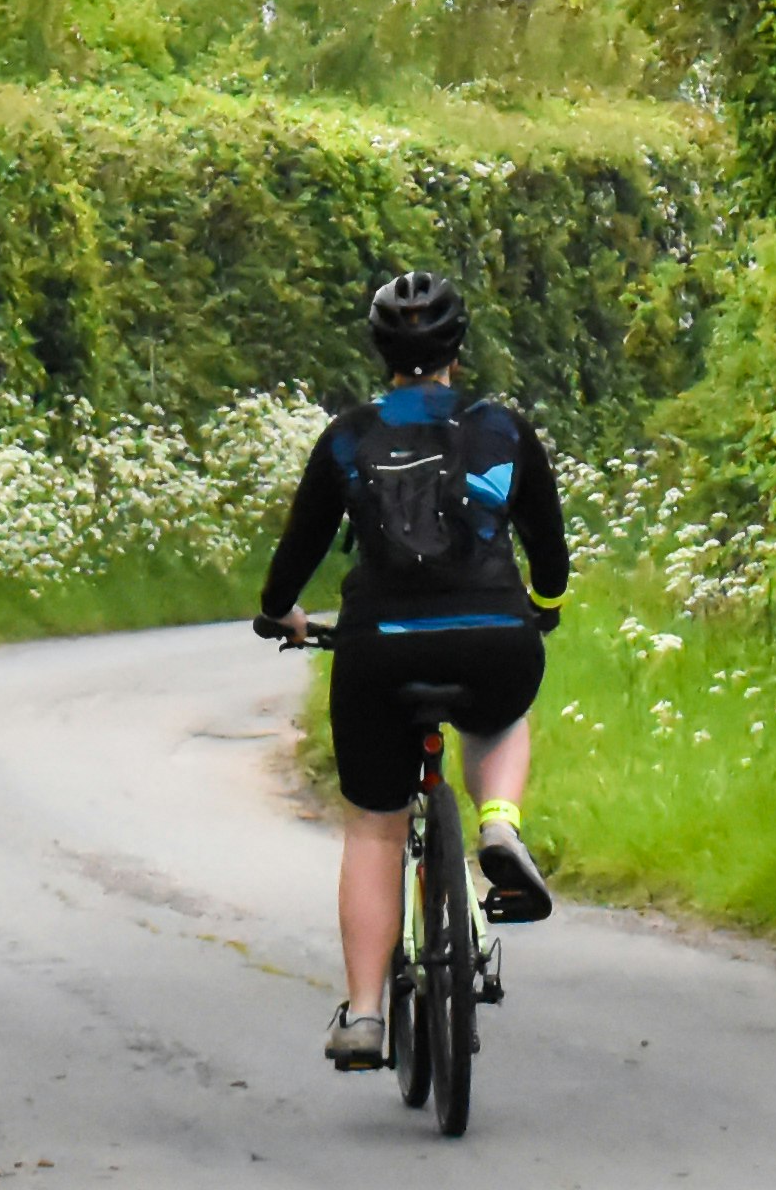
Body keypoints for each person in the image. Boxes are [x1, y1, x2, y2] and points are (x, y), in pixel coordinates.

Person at [254, 268, 571, 1071]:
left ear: (381, 353)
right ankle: (499, 820)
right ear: (457, 351)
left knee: (372, 823)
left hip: (379, 648)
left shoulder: (349, 435)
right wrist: (543, 603)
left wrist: (280, 611)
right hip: (493, 632)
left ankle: (364, 1015)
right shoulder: (504, 427)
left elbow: (297, 554)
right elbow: (549, 548)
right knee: (499, 710)